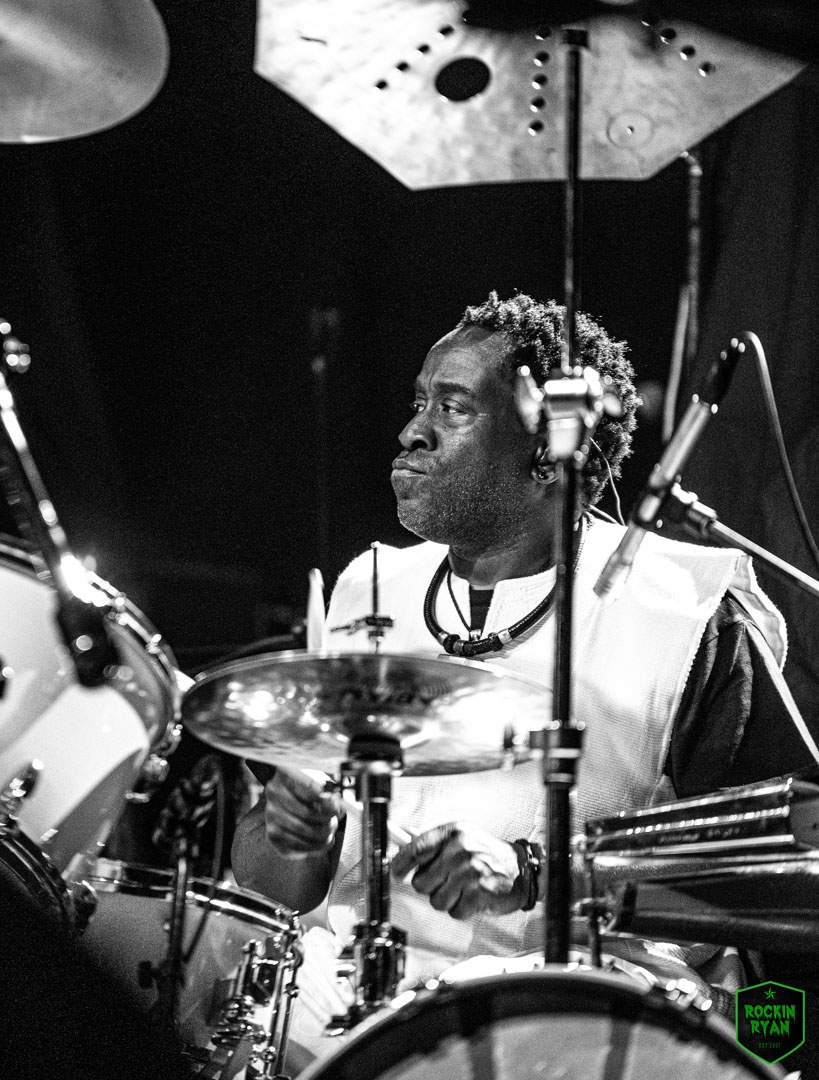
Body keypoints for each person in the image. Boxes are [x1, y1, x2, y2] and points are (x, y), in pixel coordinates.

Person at [232, 292, 819, 1027]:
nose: (412, 431)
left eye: (453, 408)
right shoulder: (368, 589)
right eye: (419, 402)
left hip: (575, 1021)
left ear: (549, 453)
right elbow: (270, 881)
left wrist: (538, 874)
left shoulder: (683, 612)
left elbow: (790, 861)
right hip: (358, 1011)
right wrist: (289, 832)